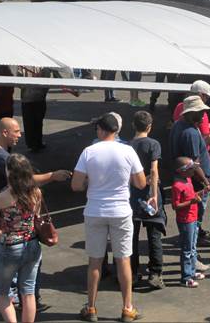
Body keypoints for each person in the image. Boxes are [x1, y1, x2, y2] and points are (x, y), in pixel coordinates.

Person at [72, 113, 146, 322]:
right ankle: (127, 308)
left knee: (95, 260)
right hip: (121, 210)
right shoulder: (128, 150)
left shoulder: (89, 152)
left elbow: (76, 185)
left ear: (101, 130)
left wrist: (91, 182)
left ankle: (92, 307)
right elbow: (141, 183)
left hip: (95, 210)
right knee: (123, 259)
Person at [0, 154, 43, 323]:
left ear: (10, 172)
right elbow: (37, 217)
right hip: (32, 244)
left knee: (1, 292)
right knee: (28, 292)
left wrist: (0, 230)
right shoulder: (36, 193)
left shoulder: (2, 197)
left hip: (10, 246)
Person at [0, 118, 71, 214]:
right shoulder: (2, 158)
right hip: (4, 214)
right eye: (16, 132)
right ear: (5, 133)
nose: (19, 135)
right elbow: (26, 180)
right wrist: (53, 176)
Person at [170, 95, 210, 249]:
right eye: (200, 112)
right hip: (195, 183)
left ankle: (191, 244)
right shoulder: (190, 133)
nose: (203, 115)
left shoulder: (178, 125)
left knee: (190, 220)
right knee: (194, 218)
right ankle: (192, 251)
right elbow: (194, 164)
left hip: (185, 180)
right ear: (191, 113)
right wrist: (206, 182)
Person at [129, 111, 166, 290]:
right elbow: (154, 170)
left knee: (131, 236)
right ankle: (155, 273)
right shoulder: (153, 144)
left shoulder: (128, 146)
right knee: (154, 235)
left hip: (133, 196)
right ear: (149, 127)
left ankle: (133, 272)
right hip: (149, 195)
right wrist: (154, 195)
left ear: (133, 126)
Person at [171, 157, 205, 288]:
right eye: (191, 169)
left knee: (192, 247)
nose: (193, 172)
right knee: (187, 249)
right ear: (182, 171)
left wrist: (202, 192)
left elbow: (191, 196)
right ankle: (186, 277)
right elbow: (175, 206)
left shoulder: (188, 180)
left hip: (193, 217)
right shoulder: (177, 186)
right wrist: (192, 202)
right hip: (185, 221)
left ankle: (191, 271)